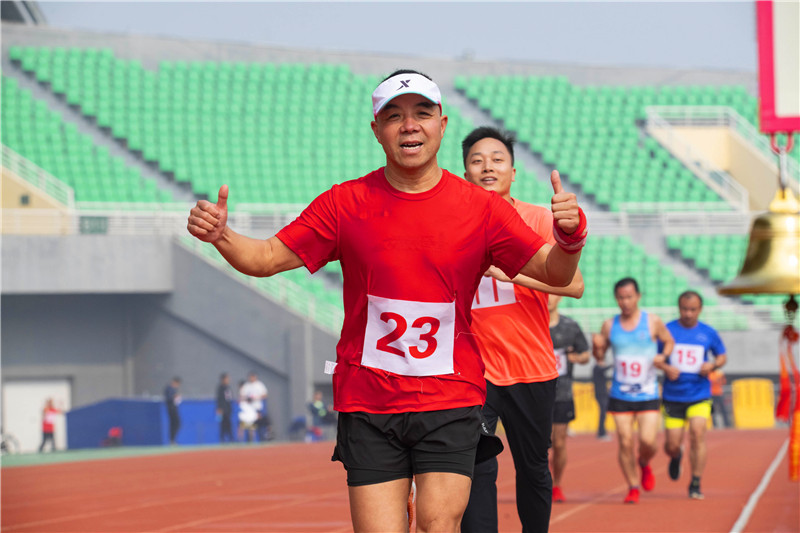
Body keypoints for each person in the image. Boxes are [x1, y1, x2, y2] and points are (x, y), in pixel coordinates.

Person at [187, 69, 586, 533]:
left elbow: (556, 273)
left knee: (438, 524)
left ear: (442, 124)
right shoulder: (345, 203)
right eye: (394, 116)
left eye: (422, 113)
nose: (409, 125)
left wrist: (569, 237)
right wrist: (222, 236)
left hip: (450, 396)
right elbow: (266, 258)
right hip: (369, 401)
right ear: (376, 130)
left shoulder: (481, 209)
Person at [459, 127, 585, 533]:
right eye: (477, 160)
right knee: (475, 465)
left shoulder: (538, 219)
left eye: (497, 159)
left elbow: (575, 285)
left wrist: (512, 273)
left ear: (512, 172)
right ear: (465, 174)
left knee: (532, 468)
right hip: (475, 372)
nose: (487, 167)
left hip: (531, 368)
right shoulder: (454, 224)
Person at [593, 278, 674, 504]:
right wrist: (597, 347)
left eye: (629, 297)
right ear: (616, 299)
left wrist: (663, 356)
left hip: (648, 392)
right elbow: (600, 358)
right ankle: (633, 486)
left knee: (648, 442)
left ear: (638, 296)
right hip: (620, 393)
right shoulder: (609, 325)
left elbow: (669, 341)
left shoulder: (652, 321)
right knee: (625, 441)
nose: (625, 302)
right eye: (621, 298)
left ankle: (644, 462)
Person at [661, 290, 727, 500]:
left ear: (700, 309)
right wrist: (665, 367)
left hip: (699, 394)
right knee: (671, 445)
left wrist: (713, 365)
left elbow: (722, 356)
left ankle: (695, 482)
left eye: (693, 310)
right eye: (684, 309)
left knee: (698, 434)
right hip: (673, 396)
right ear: (679, 308)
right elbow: (654, 357)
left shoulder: (708, 332)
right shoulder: (667, 331)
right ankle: (676, 456)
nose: (688, 314)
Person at [548, 294, 591, 503]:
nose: (547, 298)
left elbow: (585, 354)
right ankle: (541, 480)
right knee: (539, 444)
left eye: (551, 294)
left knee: (559, 442)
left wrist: (576, 357)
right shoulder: (531, 325)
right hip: (536, 393)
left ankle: (556, 484)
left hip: (563, 393)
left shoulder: (570, 326)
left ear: (559, 297)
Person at [239, 371, 271, 441]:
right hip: (250, 409)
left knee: (261, 425)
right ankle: (250, 440)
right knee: (250, 426)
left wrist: (256, 397)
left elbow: (265, 395)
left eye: (253, 376)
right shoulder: (247, 386)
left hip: (258, 408)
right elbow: (242, 396)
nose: (252, 378)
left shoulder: (259, 385)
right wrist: (248, 399)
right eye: (251, 377)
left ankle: (264, 439)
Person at [592, 359, 612, 440]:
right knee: (602, 413)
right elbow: (604, 368)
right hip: (600, 394)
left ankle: (602, 431)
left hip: (604, 394)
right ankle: (601, 432)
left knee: (603, 413)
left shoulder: (600, 371)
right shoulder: (596, 368)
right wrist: (614, 364)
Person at [216, 372, 235, 443]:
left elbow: (229, 399)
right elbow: (219, 399)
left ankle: (231, 438)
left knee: (228, 424)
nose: (228, 380)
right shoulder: (220, 388)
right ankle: (222, 438)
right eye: (227, 378)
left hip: (228, 409)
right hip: (222, 409)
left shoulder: (228, 388)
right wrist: (219, 408)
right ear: (223, 379)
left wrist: (230, 408)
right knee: (223, 424)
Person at [164, 377, 182, 445]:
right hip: (171, 409)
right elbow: (169, 398)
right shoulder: (169, 388)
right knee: (175, 423)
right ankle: (172, 440)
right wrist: (174, 396)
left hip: (174, 408)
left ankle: (172, 440)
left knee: (176, 424)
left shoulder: (174, 389)